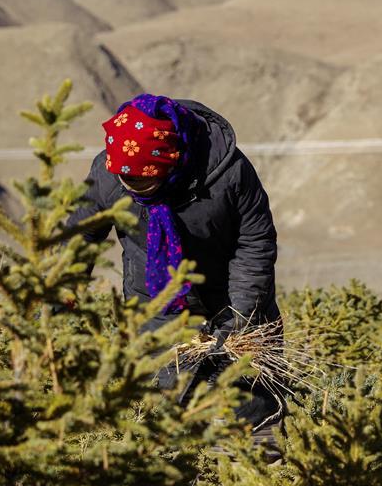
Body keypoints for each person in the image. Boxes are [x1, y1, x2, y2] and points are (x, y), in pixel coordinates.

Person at [67, 94, 282, 446]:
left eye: (141, 181)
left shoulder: (229, 174)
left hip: (235, 300)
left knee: (253, 423)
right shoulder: (110, 172)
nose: (129, 187)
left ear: (168, 162)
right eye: (124, 179)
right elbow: (80, 235)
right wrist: (61, 295)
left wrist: (239, 320)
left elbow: (255, 245)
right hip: (155, 305)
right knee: (166, 425)